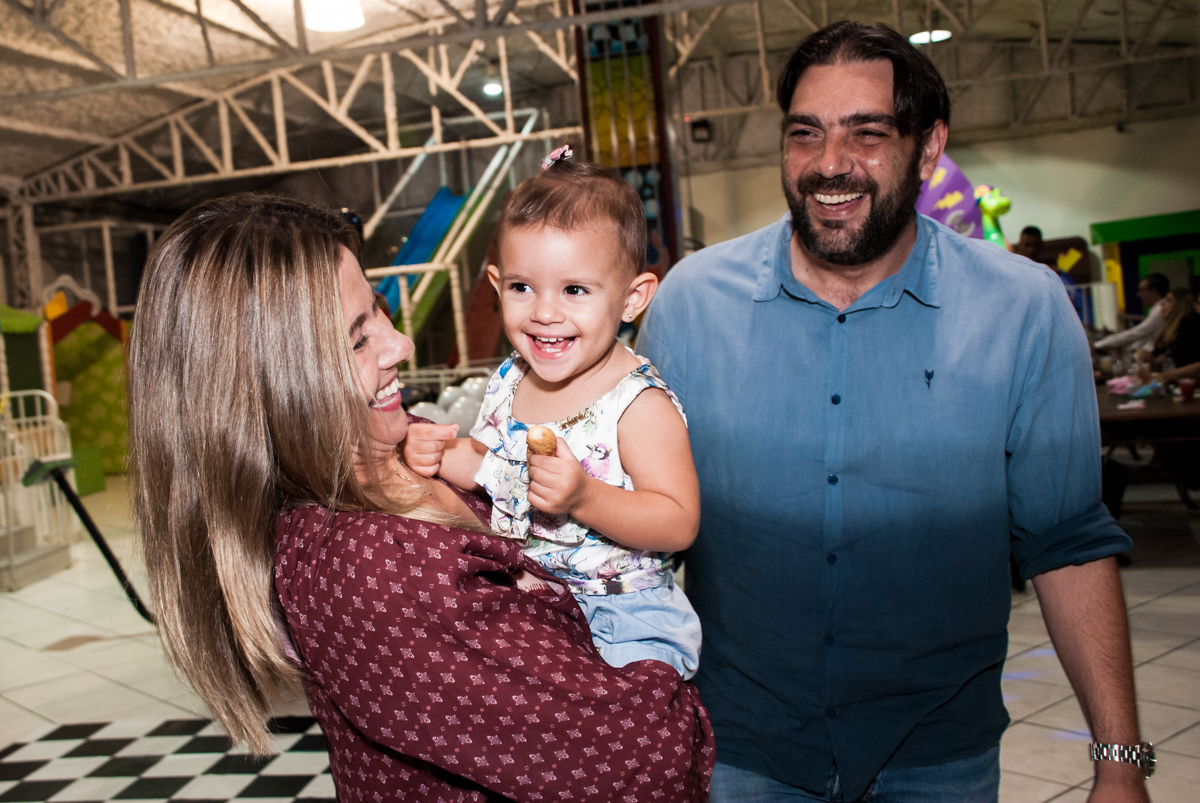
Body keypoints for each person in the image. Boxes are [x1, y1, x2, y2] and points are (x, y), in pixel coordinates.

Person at [639, 21, 1149, 803]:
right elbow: (633, 530)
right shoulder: (689, 305)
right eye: (805, 133)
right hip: (739, 750)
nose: (830, 164)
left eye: (866, 133)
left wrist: (1118, 760)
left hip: (937, 756)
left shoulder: (1024, 311)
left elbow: (1067, 541)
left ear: (929, 145)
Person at [126, 193, 715, 802]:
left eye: (378, 311)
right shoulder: (370, 563)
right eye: (357, 341)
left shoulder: (404, 451)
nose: (402, 345)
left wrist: (470, 464)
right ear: (269, 383)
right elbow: (648, 755)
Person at [404, 153, 703, 680]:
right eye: (522, 287)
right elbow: (492, 467)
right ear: (496, 285)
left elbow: (677, 522)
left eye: (574, 290)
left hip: (624, 615)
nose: (545, 312)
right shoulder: (510, 380)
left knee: (619, 745)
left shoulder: (636, 405)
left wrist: (585, 497)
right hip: (532, 596)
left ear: (632, 298)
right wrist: (440, 451)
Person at [1093, 272, 1169, 352]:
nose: (1138, 294)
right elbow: (1142, 336)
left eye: (1142, 290)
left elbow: (1137, 332)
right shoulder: (1156, 309)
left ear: (1155, 292)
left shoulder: (1159, 310)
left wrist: (1099, 344)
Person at [1147, 288, 1200, 372]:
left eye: (1169, 300)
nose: (1162, 304)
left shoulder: (1188, 324)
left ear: (1180, 306)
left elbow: (1181, 359)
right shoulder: (1166, 329)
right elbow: (1156, 353)